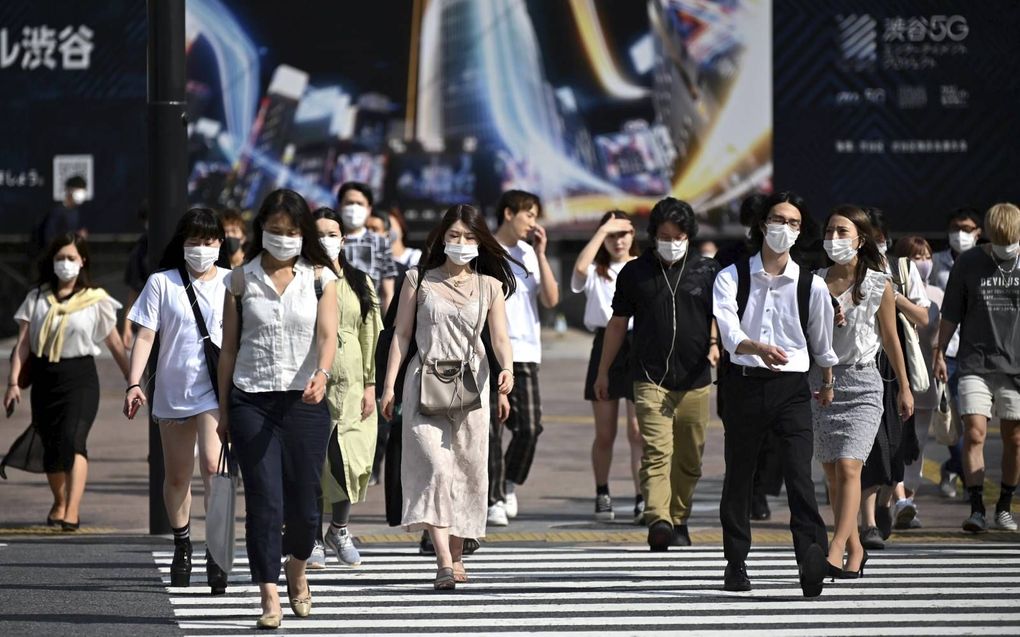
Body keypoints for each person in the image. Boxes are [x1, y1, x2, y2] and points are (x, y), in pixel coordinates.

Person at [217, 189, 338, 629]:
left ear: (302, 233)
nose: (283, 239)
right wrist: (225, 411)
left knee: (306, 507)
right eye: (274, 231)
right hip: (252, 400)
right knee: (265, 503)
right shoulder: (239, 280)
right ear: (261, 230)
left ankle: (298, 570)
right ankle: (269, 594)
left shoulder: (321, 277)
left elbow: (328, 336)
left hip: (305, 402)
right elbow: (228, 350)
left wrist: (322, 374)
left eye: (291, 232)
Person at [380, 204, 515, 590]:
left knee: (468, 471)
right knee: (436, 469)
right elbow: (401, 335)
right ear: (441, 238)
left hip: (473, 386)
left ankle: (457, 554)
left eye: (470, 237)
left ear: (480, 241)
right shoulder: (417, 280)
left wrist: (507, 368)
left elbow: (500, 337)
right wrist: (389, 385)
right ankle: (442, 559)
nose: (461, 243)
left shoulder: (490, 286)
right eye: (454, 236)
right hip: (423, 381)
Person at [712, 191, 835, 597]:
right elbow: (728, 331)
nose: (785, 228)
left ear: (801, 233)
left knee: (800, 475)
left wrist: (828, 383)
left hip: (792, 391)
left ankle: (810, 557)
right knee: (740, 476)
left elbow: (821, 344)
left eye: (794, 223)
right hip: (744, 385)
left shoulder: (811, 286)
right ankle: (736, 562)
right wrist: (755, 347)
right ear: (763, 224)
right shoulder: (732, 276)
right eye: (778, 220)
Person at [596, 198, 719, 549]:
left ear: (689, 236)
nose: (672, 242)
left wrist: (716, 344)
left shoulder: (706, 270)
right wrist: (603, 372)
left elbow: (722, 318)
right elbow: (617, 324)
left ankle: (679, 517)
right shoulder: (635, 272)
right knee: (656, 451)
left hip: (696, 380)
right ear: (653, 235)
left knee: (690, 458)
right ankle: (659, 519)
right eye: (664, 235)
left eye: (679, 235)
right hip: (649, 378)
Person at [122, 208, 230, 593]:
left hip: (215, 392)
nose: (202, 248)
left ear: (221, 243)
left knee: (214, 470)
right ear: (182, 244)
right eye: (194, 241)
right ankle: (183, 544)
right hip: (172, 389)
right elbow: (146, 336)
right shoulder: (161, 283)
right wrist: (134, 383)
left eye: (209, 241)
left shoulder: (234, 284)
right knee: (178, 476)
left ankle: (216, 552)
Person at [813, 205, 914, 578]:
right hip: (821, 383)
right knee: (831, 474)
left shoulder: (877, 282)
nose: (835, 238)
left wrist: (904, 387)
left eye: (843, 231)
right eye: (830, 231)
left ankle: (834, 548)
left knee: (849, 466)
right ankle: (856, 546)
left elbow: (891, 338)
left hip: (863, 382)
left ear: (861, 239)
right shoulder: (814, 281)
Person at [4, 234, 129, 531]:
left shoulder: (95, 300)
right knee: (52, 445)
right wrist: (12, 382)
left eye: (71, 258)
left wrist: (132, 379)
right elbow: (23, 344)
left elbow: (113, 341)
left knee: (74, 439)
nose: (65, 264)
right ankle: (59, 501)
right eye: (60, 258)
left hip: (81, 378)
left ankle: (72, 509)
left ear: (82, 261)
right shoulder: (36, 298)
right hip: (46, 379)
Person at [934, 202, 1020, 533]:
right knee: (974, 432)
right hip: (975, 362)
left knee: (1013, 438)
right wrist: (939, 351)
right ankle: (976, 508)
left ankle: (1004, 506)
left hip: (1015, 367)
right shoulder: (969, 263)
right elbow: (951, 312)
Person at [307, 207, 382, 569]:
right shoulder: (301, 277)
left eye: (332, 232)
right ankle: (311, 534)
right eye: (319, 233)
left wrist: (371, 384)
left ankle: (339, 528)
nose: (326, 240)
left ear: (343, 238)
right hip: (313, 382)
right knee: (315, 462)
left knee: (350, 460)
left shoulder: (359, 281)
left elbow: (371, 334)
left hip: (353, 384)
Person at [856, 207, 930, 548]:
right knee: (870, 442)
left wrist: (890, 294)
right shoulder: (849, 271)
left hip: (895, 364)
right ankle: (868, 521)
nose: (873, 242)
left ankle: (887, 501)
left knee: (897, 442)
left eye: (877, 236)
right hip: (863, 363)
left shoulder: (902, 268)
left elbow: (923, 317)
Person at [489, 189, 560, 526]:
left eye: (535, 216)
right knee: (490, 429)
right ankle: (493, 499)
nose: (533, 222)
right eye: (528, 214)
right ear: (508, 213)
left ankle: (509, 481)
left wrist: (543, 255)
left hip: (525, 352)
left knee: (529, 427)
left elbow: (550, 299)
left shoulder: (530, 253)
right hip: (489, 351)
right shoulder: (484, 250)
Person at [571, 211, 643, 522]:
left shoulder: (642, 266)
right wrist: (602, 231)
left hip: (639, 343)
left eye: (624, 233)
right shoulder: (596, 271)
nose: (619, 240)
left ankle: (644, 496)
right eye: (612, 235)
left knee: (639, 431)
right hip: (605, 344)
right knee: (605, 432)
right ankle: (602, 491)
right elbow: (578, 270)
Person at [930, 207, 984, 498]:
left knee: (973, 421)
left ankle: (954, 468)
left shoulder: (986, 263)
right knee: (950, 415)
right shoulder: (936, 263)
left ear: (978, 232)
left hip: (977, 350)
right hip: (947, 349)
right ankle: (966, 474)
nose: (960, 234)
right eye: (955, 227)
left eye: (966, 228)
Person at [894, 236, 944, 528]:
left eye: (926, 256)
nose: (922, 263)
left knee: (918, 445)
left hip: (924, 376)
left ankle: (908, 500)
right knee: (894, 442)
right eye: (915, 258)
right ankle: (898, 498)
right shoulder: (891, 288)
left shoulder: (937, 294)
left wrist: (939, 360)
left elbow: (939, 335)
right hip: (897, 378)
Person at [337, 181, 398, 313]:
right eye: (349, 203)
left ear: (369, 209)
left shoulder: (381, 243)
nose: (354, 207)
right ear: (340, 206)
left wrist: (387, 329)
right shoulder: (330, 240)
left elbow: (387, 293)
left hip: (370, 317)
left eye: (359, 203)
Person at [30, 176, 89, 268]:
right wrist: (75, 236)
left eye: (83, 191)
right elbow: (49, 238)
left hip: (69, 259)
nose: (81, 195)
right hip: (52, 260)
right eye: (78, 191)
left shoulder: (75, 212)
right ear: (69, 190)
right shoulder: (56, 211)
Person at [120, 203, 150, 349]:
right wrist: (127, 326)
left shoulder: (183, 246)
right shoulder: (140, 250)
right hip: (150, 321)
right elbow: (134, 290)